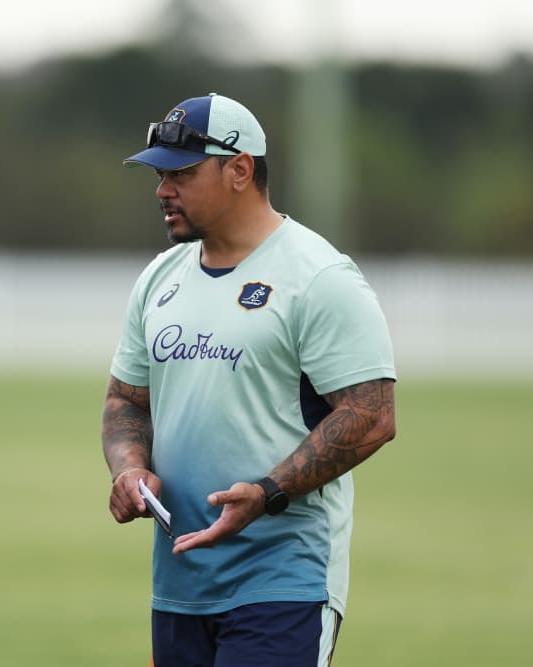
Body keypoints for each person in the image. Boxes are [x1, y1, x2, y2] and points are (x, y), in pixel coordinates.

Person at [101, 92, 397, 667]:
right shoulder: (159, 278)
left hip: (286, 580)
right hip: (180, 583)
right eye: (159, 174)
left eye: (181, 173)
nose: (163, 190)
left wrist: (266, 494)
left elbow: (373, 415)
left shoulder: (319, 277)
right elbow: (126, 400)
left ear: (239, 169)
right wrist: (129, 467)